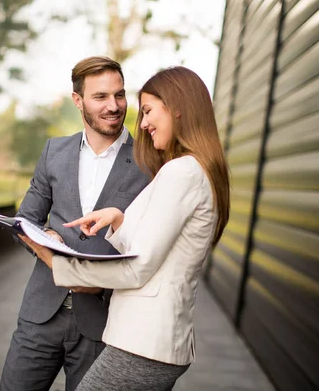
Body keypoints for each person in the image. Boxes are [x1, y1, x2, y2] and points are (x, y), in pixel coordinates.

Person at [23, 66, 231, 391]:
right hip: (148, 339)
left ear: (177, 108)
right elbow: (159, 244)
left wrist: (59, 264)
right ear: (78, 101)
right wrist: (119, 221)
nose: (143, 122)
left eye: (148, 111)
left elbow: (137, 269)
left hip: (145, 340)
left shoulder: (180, 172)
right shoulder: (192, 169)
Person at [0, 56, 151, 391]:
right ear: (78, 101)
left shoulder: (149, 161)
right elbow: (25, 221)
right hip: (40, 313)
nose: (114, 106)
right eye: (100, 97)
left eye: (120, 95)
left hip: (104, 323)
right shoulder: (55, 152)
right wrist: (46, 239)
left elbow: (150, 243)